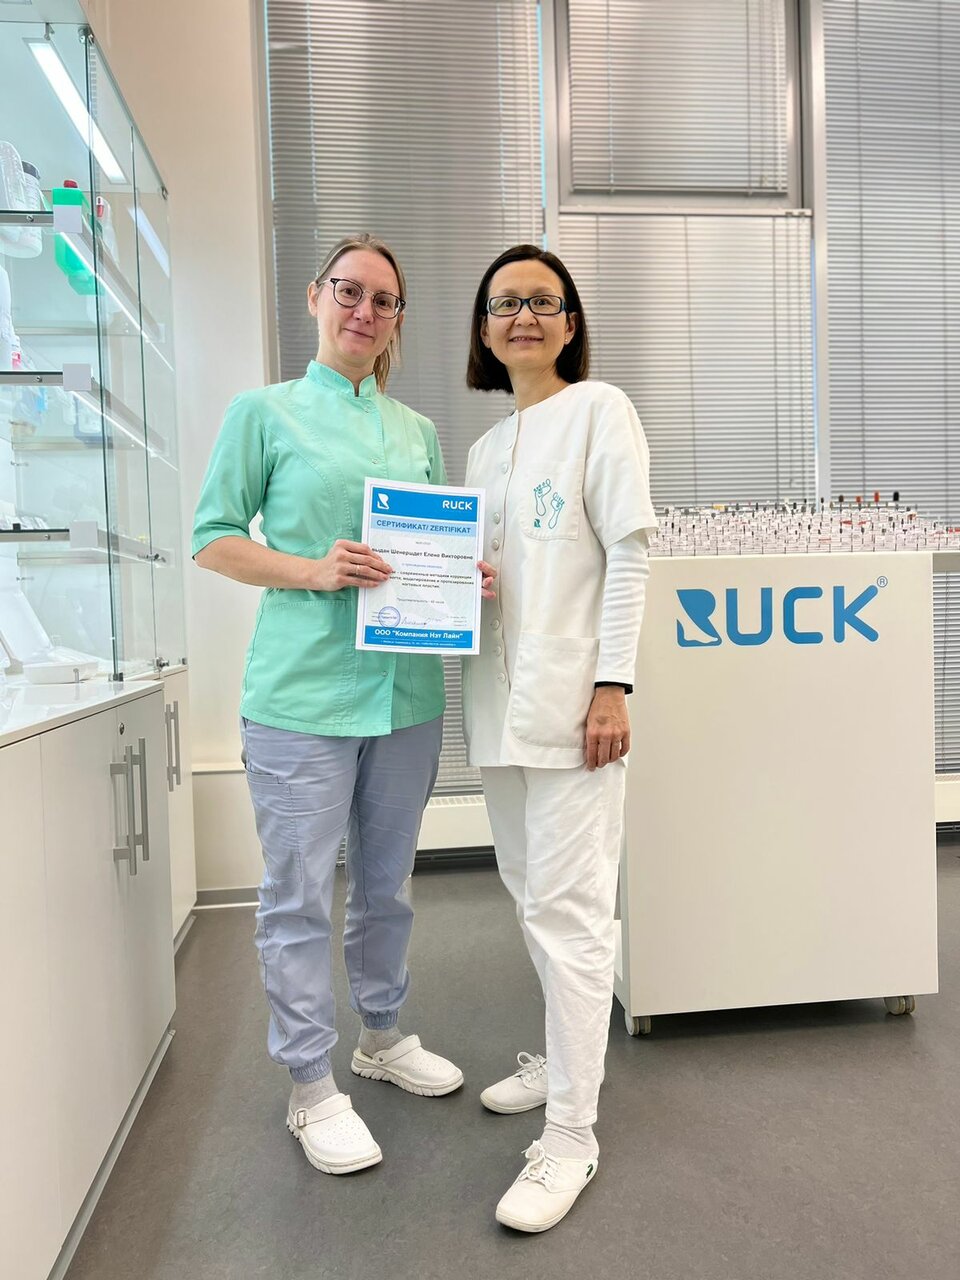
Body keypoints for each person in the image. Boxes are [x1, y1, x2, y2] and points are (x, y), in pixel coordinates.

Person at [193, 233, 493, 1177]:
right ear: (316, 297)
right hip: (302, 696)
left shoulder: (417, 432)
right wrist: (311, 570)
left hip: (406, 695)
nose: (365, 311)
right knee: (297, 896)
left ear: (398, 320)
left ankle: (381, 1034)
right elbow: (211, 537)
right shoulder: (264, 413)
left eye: (384, 301)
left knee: (387, 885)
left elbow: (426, 555)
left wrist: (463, 579)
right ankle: (309, 1084)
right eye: (349, 291)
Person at [463, 244, 657, 1231]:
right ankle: (561, 1055)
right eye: (506, 303)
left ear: (570, 323)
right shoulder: (483, 451)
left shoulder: (599, 411)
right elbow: (492, 577)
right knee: (529, 893)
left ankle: (572, 1136)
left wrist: (613, 685)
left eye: (544, 301)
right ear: (484, 329)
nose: (524, 316)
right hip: (497, 706)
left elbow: (630, 553)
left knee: (572, 913)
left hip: (577, 707)